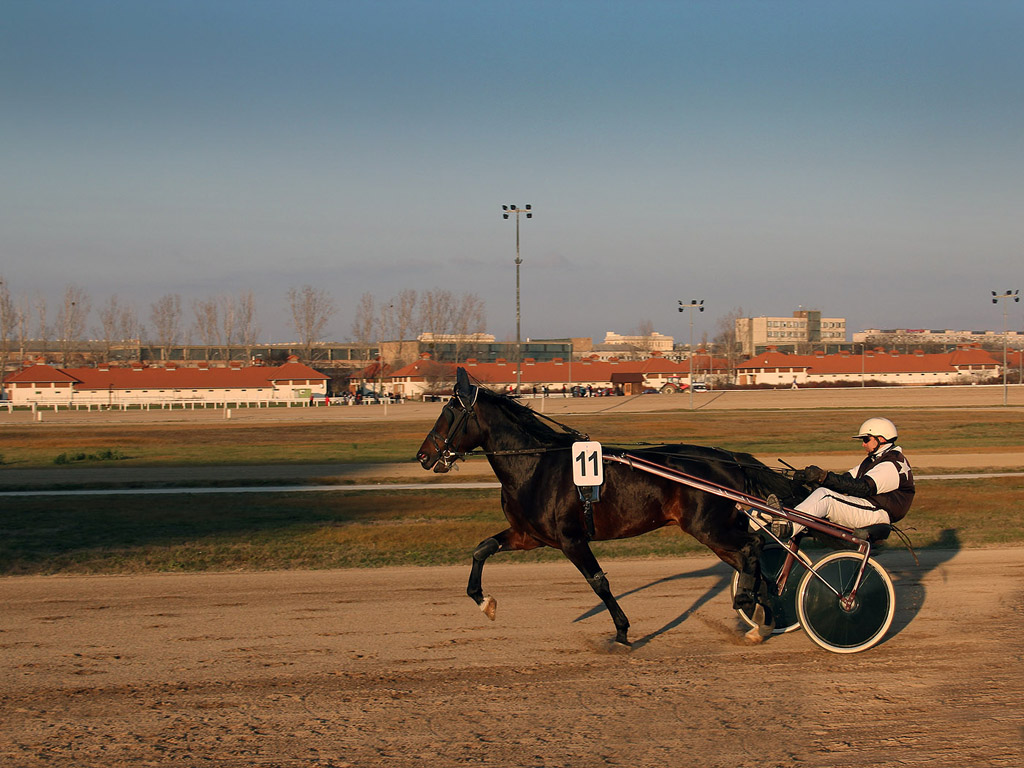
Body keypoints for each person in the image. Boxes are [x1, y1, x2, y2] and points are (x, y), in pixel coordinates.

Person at [791, 417, 914, 537]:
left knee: (825, 496)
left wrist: (823, 477)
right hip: (868, 508)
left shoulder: (892, 463)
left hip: (877, 513)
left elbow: (862, 488)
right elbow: (846, 480)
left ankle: (790, 526)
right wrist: (811, 479)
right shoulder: (872, 460)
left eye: (866, 439)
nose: (863, 444)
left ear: (881, 439)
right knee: (820, 491)